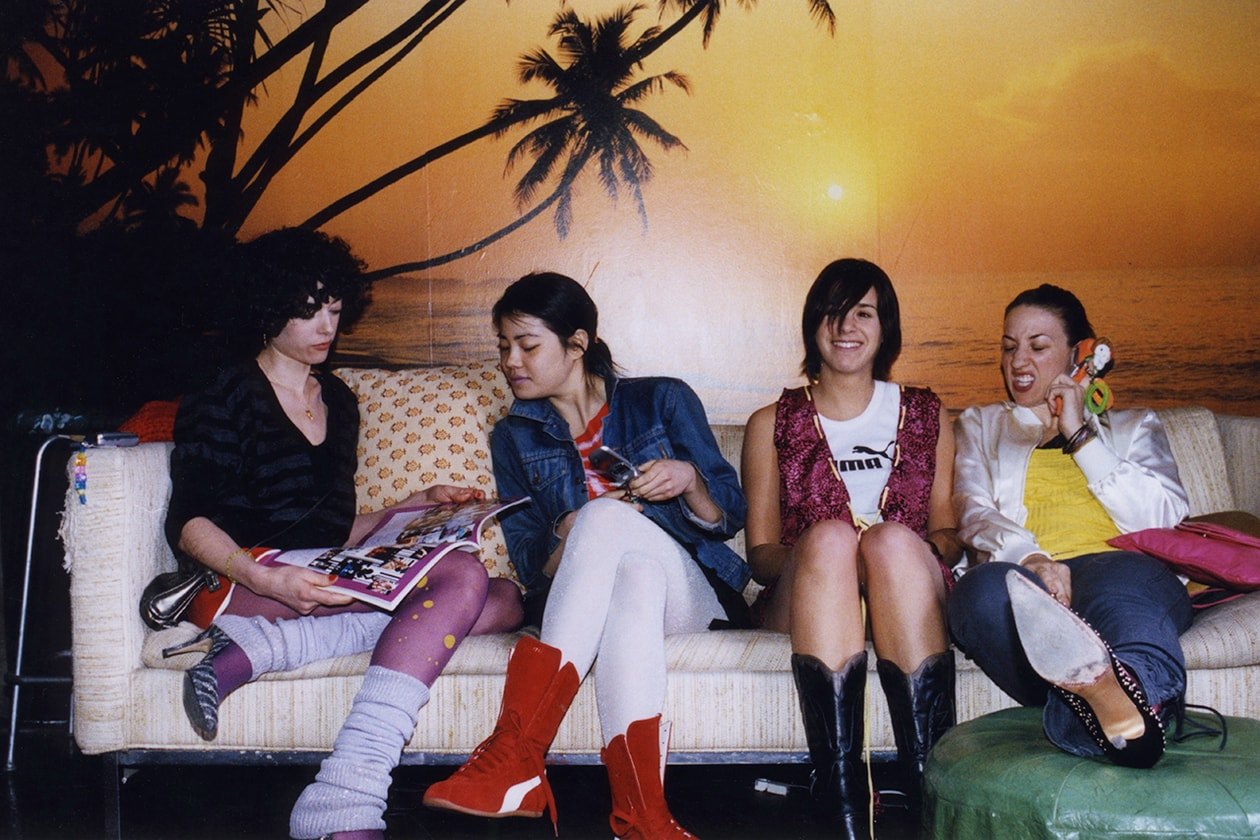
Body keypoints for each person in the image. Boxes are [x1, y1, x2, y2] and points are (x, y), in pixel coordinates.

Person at [159, 227, 524, 840]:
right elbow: (188, 522)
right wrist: (265, 578)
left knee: (505, 599)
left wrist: (410, 508)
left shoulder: (338, 399)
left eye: (333, 309)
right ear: (267, 311)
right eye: (308, 311)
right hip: (238, 578)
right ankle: (350, 788)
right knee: (463, 576)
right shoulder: (223, 392)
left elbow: (330, 529)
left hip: (315, 568)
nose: (326, 326)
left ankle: (267, 648)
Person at [422, 272, 749, 838]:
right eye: (504, 347)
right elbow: (530, 563)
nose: (511, 362)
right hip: (605, 601)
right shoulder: (514, 436)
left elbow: (731, 516)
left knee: (610, 526)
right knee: (632, 575)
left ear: (577, 343)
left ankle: (517, 756)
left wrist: (689, 480)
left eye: (528, 345)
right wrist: (570, 531)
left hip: (692, 593)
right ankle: (642, 817)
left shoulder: (662, 399)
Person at [740, 259, 962, 836]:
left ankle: (930, 790)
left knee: (889, 542)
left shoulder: (926, 413)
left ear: (885, 328)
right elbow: (760, 555)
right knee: (834, 537)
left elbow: (948, 532)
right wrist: (832, 554)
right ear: (813, 324)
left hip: (906, 592)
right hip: (808, 596)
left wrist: (888, 553)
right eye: (833, 313)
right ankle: (841, 804)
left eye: (864, 313)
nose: (846, 326)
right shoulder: (771, 422)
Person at [948, 283, 1192, 769]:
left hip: (1120, 567)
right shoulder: (982, 424)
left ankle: (1119, 701)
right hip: (1027, 579)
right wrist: (1033, 559)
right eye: (1009, 347)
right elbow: (973, 512)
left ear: (1081, 355)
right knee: (977, 594)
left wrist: (1079, 434)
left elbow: (1165, 519)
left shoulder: (1133, 427)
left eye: (1038, 347)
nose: (1019, 361)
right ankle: (1113, 714)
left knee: (1129, 607)